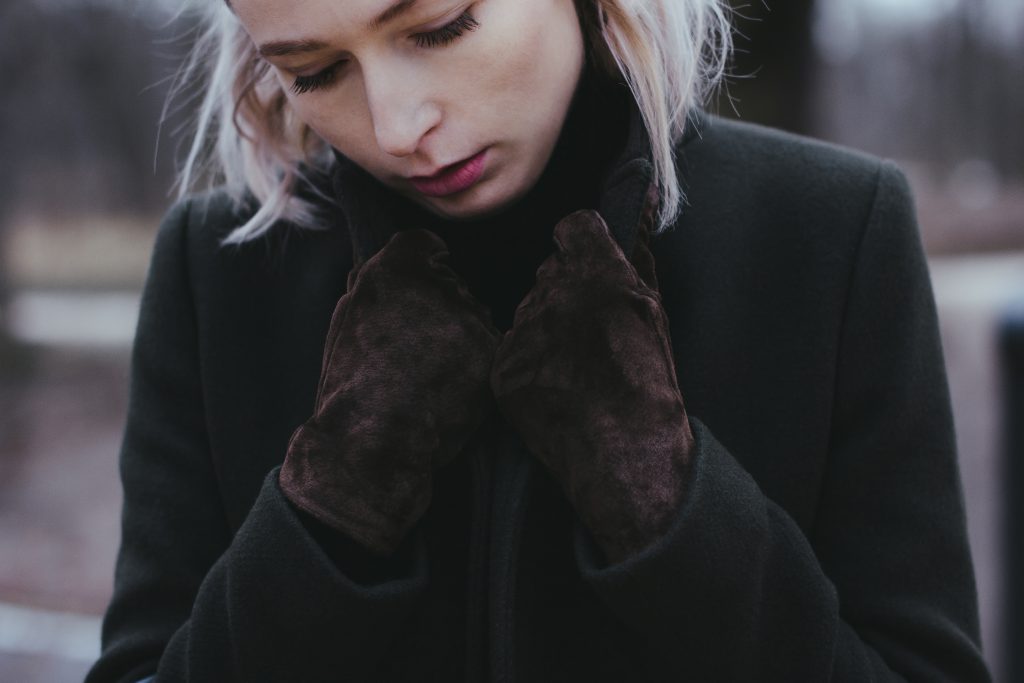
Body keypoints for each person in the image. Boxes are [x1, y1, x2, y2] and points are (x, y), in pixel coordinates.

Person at [86, 0, 992, 680]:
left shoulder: (831, 232)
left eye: (440, 26)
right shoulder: (218, 273)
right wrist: (333, 510)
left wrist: (675, 510)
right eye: (316, 72)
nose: (400, 128)